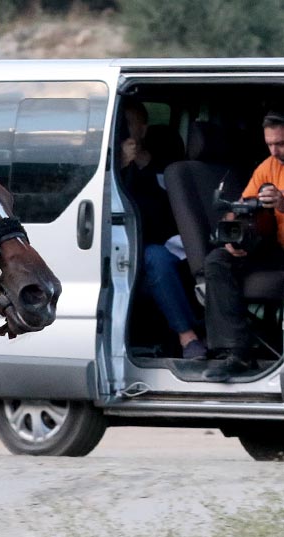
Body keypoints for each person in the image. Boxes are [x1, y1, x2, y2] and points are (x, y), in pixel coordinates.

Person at [118, 98, 207, 360]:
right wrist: (124, 166)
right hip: (132, 247)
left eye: (129, 124)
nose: (124, 130)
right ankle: (187, 337)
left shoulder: (166, 161)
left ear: (143, 129)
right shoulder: (111, 162)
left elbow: (168, 208)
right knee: (155, 257)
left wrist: (144, 167)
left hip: (175, 239)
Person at [202, 112, 284, 381]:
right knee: (217, 260)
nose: (275, 150)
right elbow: (241, 206)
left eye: (281, 143)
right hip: (276, 249)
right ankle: (236, 352)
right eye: (270, 144)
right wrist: (233, 236)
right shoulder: (269, 166)